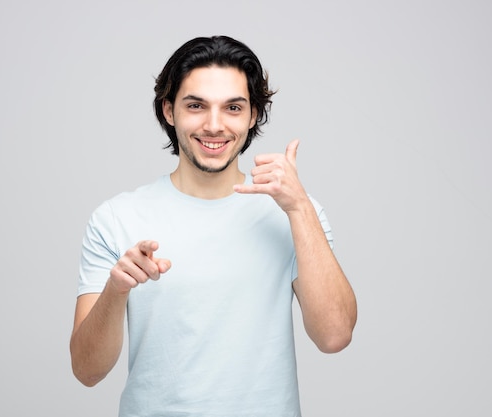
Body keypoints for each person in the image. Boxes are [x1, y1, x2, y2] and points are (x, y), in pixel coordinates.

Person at [70, 35, 357, 416]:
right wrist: (116, 288)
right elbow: (86, 371)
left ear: (253, 115)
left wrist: (299, 208)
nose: (214, 125)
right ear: (169, 111)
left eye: (233, 107)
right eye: (196, 106)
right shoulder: (116, 218)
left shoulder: (295, 212)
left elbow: (335, 336)